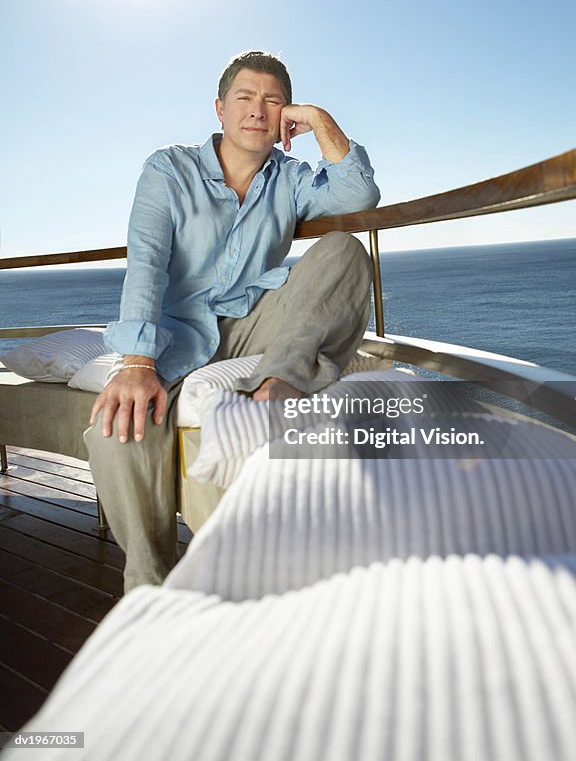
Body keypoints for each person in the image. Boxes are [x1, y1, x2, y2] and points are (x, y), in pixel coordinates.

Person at [85, 50, 380, 591]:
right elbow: (146, 261)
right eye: (244, 98)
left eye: (273, 101)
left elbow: (359, 193)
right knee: (114, 434)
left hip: (256, 320)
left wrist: (318, 120)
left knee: (344, 249)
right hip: (178, 335)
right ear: (219, 109)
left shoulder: (289, 179)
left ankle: (279, 387)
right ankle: (151, 589)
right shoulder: (167, 169)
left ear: (285, 116)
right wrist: (136, 361)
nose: (257, 111)